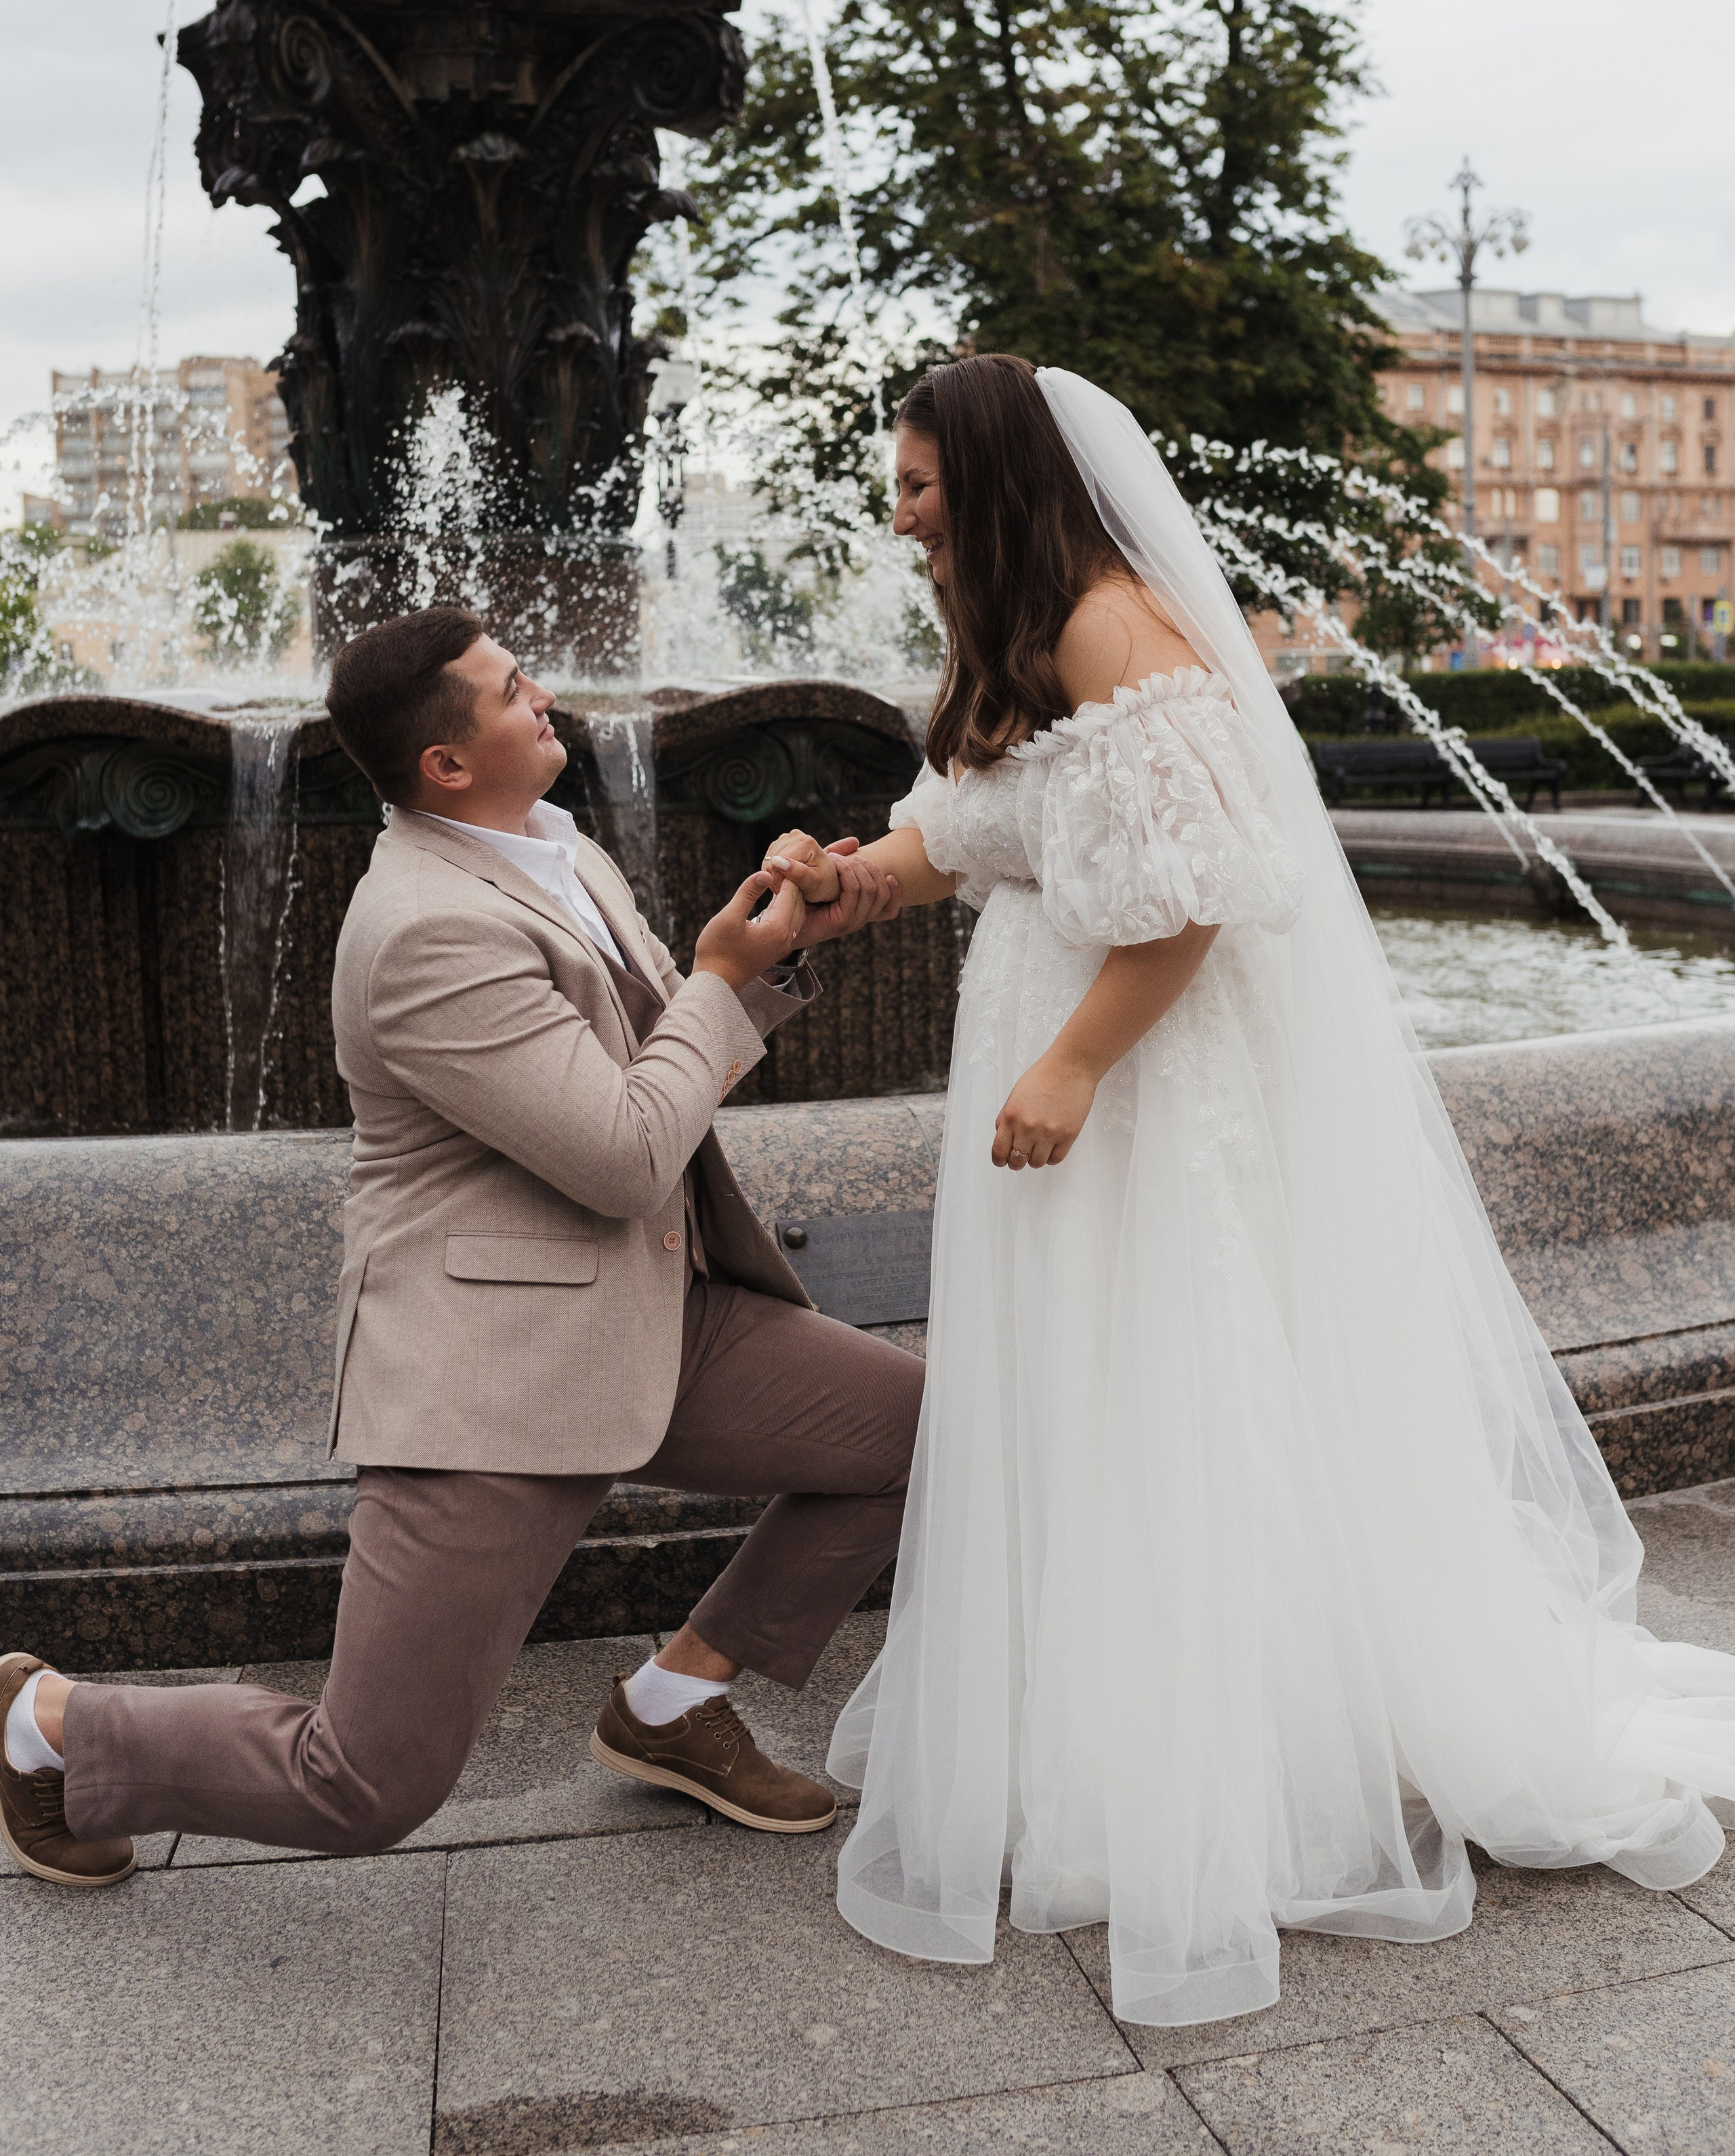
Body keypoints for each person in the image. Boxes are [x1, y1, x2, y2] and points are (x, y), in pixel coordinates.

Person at [764, 354, 1735, 2030]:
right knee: (1089, 1392)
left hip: (1137, 1080)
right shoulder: (1016, 633)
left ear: (994, 482)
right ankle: (1108, 1715)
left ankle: (1247, 1758)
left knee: (1180, 1379)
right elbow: (974, 825)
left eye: (920, 483)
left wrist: (1068, 1067)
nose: (900, 509)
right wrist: (848, 881)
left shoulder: (1112, 630)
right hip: (1063, 1049)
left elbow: (1190, 900)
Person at [1, 605, 922, 1886]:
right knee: (364, 1784)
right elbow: (620, 1151)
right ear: (445, 762)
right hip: (493, 1373)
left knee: (919, 1433)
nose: (543, 695)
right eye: (509, 689)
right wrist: (718, 978)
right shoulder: (423, 930)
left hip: (655, 1307)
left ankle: (673, 1702)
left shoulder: (556, 848)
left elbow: (661, 1050)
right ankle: (45, 1728)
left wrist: (766, 950)